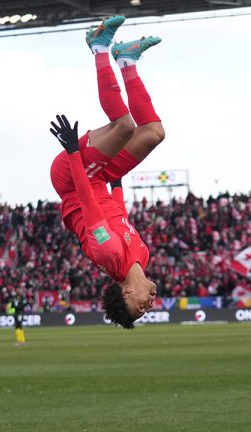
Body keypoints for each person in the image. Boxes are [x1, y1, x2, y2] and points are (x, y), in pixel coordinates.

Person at [49, 15, 164, 329]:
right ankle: (127, 60)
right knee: (153, 133)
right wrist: (118, 186)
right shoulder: (142, 256)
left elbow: (87, 204)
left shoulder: (107, 256)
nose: (148, 305)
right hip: (99, 179)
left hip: (75, 178)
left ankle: (98, 45)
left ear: (125, 293)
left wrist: (73, 151)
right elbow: (120, 217)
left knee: (124, 127)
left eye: (139, 309)